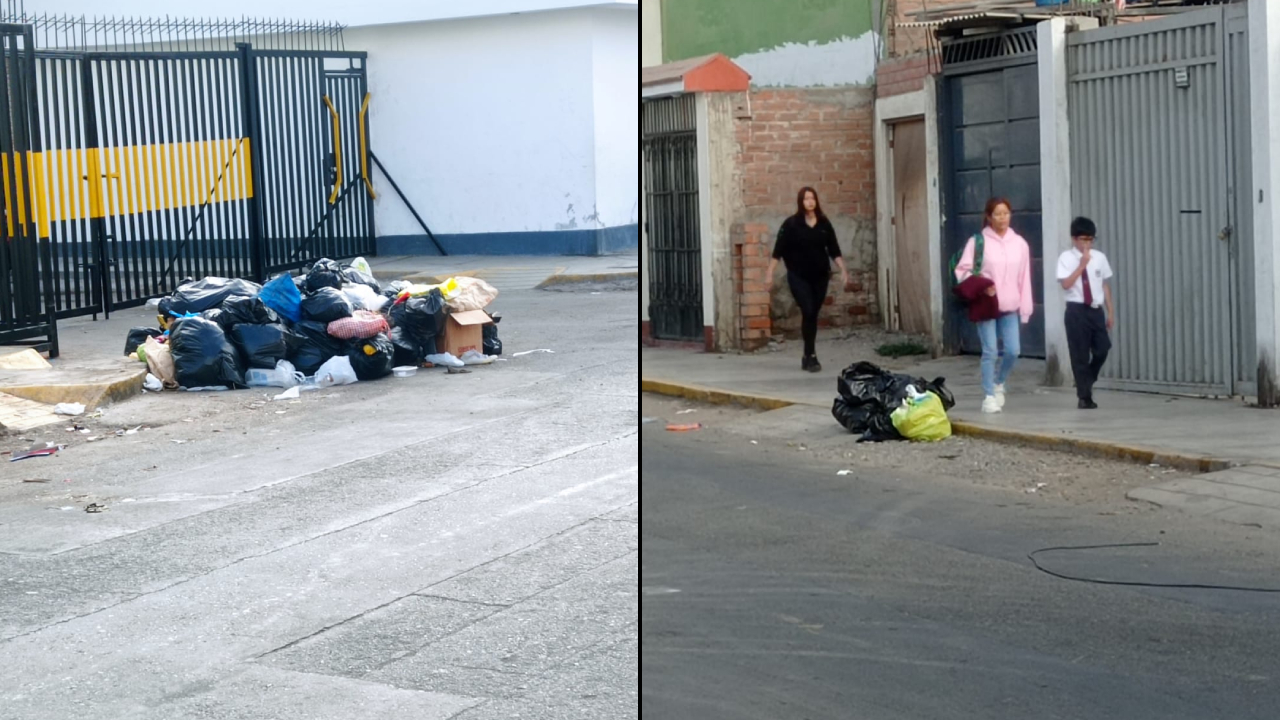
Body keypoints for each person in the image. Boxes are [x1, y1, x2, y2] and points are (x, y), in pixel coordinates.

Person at [953, 197, 1033, 413]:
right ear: (989, 217)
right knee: (990, 351)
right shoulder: (978, 242)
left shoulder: (1020, 244)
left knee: (1013, 350)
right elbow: (962, 271)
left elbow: (1024, 279)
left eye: (1006, 213)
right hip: (986, 304)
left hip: (1010, 306)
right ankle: (988, 395)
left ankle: (999, 382)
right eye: (997, 214)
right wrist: (982, 286)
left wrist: (1025, 309)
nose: (1002, 218)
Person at [766, 187, 849, 372]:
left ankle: (807, 355)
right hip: (798, 276)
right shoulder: (791, 224)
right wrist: (769, 273)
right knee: (808, 309)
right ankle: (811, 355)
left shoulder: (824, 224)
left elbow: (834, 249)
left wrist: (842, 269)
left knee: (812, 314)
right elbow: (778, 251)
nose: (810, 202)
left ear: (816, 201)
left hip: (820, 276)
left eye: (812, 198)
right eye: (806, 199)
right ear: (800, 202)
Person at [1056, 216, 1114, 409]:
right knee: (1079, 353)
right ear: (1074, 239)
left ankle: (1088, 378)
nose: (1087, 244)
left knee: (1103, 348)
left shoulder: (1100, 258)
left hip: (1095, 309)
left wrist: (1110, 311)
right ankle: (1084, 396)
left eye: (1090, 240)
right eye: (1083, 239)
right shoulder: (1066, 258)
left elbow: (1104, 285)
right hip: (1076, 309)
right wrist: (1081, 265)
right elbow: (1065, 284)